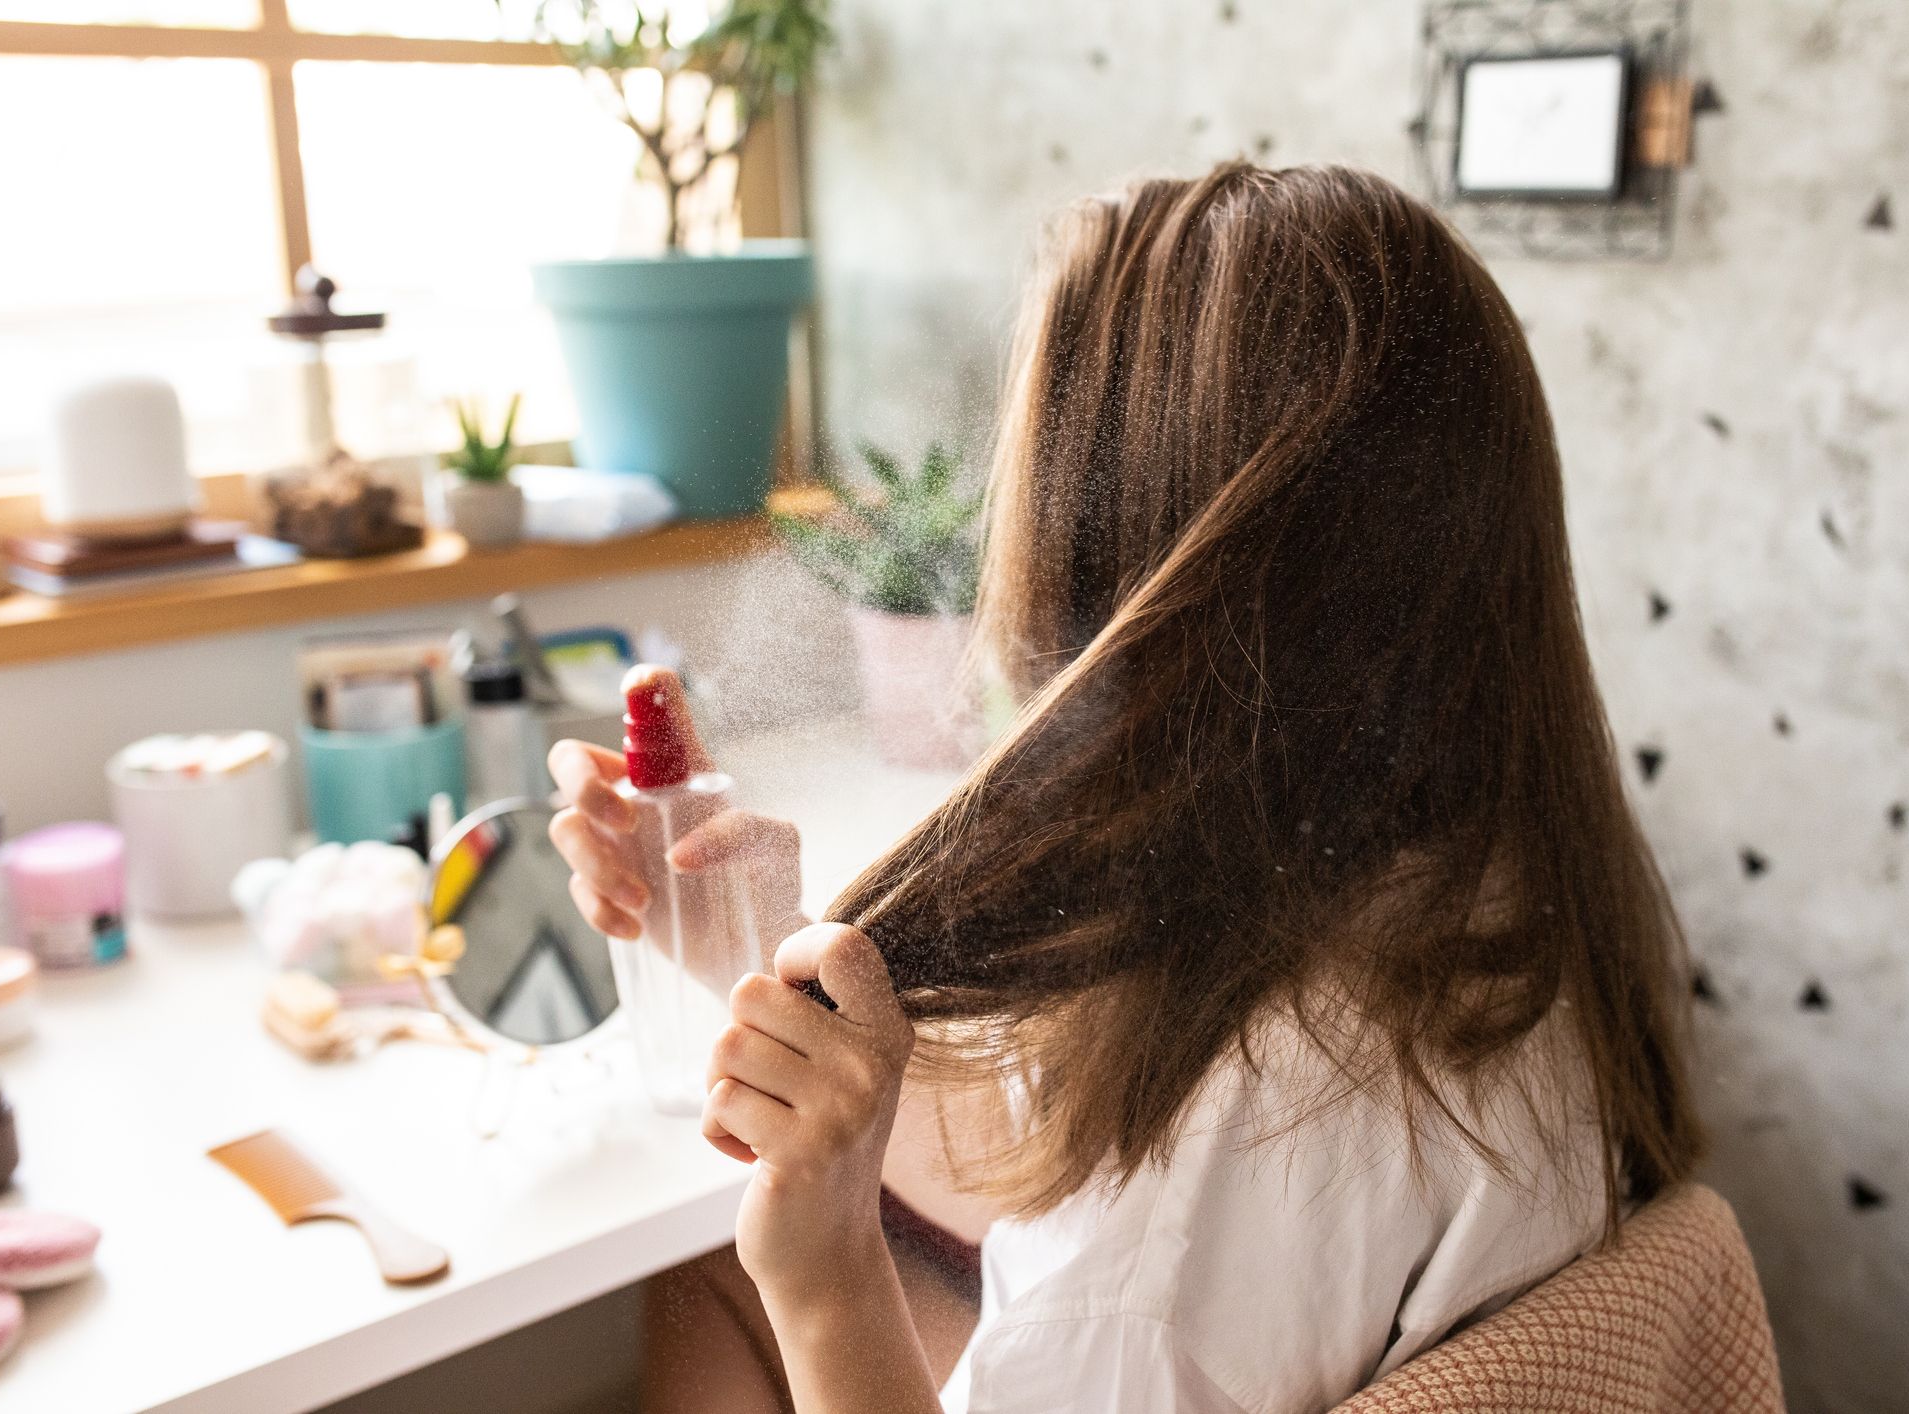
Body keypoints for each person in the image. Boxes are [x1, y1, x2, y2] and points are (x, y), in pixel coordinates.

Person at [549, 161, 1704, 1414]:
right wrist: (749, 957)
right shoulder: (1476, 895)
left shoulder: (1195, 1200)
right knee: (706, 1286)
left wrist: (825, 1275)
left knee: (736, 1282)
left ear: (1129, 560)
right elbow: (1063, 1148)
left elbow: (1132, 1224)